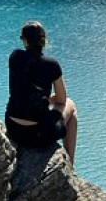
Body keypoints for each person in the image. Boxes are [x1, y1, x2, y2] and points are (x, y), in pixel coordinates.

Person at [6, 21, 79, 166]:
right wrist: (47, 99)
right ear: (43, 40)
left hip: (13, 129)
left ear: (25, 40)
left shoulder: (14, 57)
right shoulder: (52, 64)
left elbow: (24, 91)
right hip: (39, 134)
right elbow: (62, 99)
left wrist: (45, 98)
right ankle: (70, 164)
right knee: (71, 105)